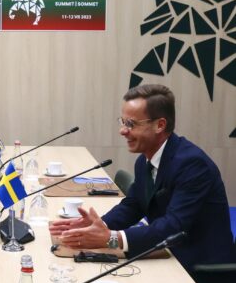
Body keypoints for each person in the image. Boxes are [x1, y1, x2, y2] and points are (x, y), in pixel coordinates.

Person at [50, 84, 234, 271]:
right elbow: (134, 205)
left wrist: (113, 239)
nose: (123, 130)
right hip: (167, 254)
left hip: (200, 269)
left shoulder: (192, 164)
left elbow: (174, 225)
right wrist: (100, 225)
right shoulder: (144, 160)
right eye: (122, 122)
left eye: (131, 124)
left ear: (159, 125)